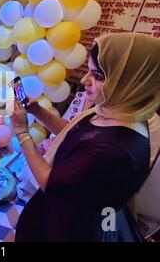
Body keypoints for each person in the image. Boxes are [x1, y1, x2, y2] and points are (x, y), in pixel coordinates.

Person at [11, 33, 160, 242]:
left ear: (131, 81)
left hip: (74, 227)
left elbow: (50, 182)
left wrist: (22, 133)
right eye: (89, 71)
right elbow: (75, 133)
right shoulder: (113, 109)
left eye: (98, 76)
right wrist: (38, 112)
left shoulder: (115, 149)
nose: (84, 80)